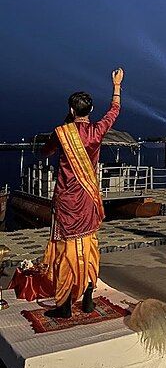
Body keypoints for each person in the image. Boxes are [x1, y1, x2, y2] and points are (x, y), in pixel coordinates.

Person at [42, 68, 124, 318]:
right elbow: (114, 112)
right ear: (89, 111)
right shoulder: (97, 131)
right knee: (89, 244)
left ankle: (65, 304)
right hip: (88, 199)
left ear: (70, 110)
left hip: (67, 201)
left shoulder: (61, 133)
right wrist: (117, 86)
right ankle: (88, 294)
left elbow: (46, 152)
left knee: (67, 249)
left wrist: (59, 136)